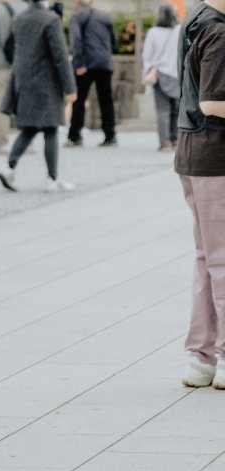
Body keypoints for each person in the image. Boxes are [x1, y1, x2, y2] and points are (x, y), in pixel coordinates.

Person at [174, 0, 225, 389]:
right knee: (220, 260)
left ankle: (201, 357)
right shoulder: (220, 30)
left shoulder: (194, 18)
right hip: (216, 155)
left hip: (194, 153)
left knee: (208, 258)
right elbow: (213, 102)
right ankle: (216, 356)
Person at [0, 0, 77, 193]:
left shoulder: (20, 18)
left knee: (29, 129)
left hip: (24, 80)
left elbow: (13, 48)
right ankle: (52, 178)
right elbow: (60, 55)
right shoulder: (50, 20)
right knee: (50, 128)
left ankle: (8, 167)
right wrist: (69, 87)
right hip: (46, 82)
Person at [66, 0, 118, 148]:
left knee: (79, 99)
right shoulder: (105, 16)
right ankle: (110, 135)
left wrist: (79, 63)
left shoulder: (76, 17)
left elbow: (75, 41)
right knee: (106, 100)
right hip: (104, 63)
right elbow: (114, 40)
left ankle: (75, 136)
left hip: (86, 64)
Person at [0, 0, 27, 154]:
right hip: (24, 65)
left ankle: (2, 142)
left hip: (2, 65)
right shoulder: (28, 9)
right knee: (24, 102)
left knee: (1, 103)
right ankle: (26, 140)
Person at [142, 3, 181, 152]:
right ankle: (176, 139)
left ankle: (164, 141)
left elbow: (147, 55)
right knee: (177, 110)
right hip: (177, 74)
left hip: (159, 76)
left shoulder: (153, 32)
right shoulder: (179, 30)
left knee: (162, 110)